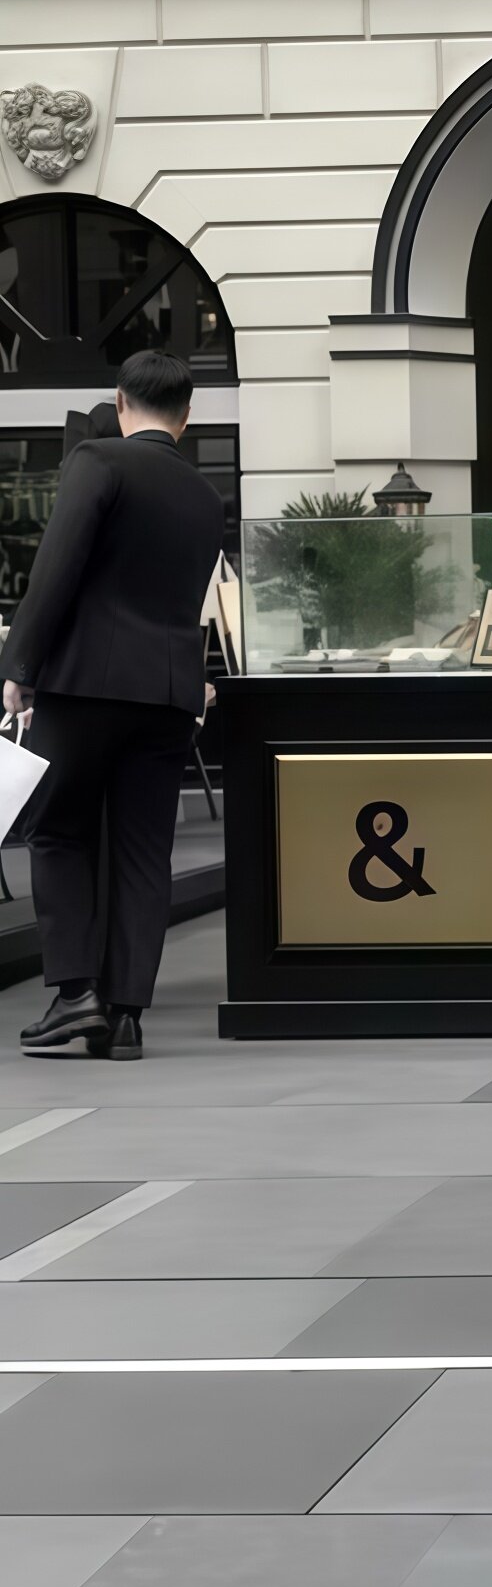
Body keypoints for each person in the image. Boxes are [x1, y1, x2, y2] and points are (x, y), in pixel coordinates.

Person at [4, 348, 225, 1060]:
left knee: (56, 830)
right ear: (186, 417)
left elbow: (55, 570)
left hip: (85, 684)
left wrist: (20, 666)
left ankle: (76, 994)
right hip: (168, 694)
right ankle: (126, 1014)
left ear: (121, 402)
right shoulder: (205, 495)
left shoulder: (96, 460)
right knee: (143, 852)